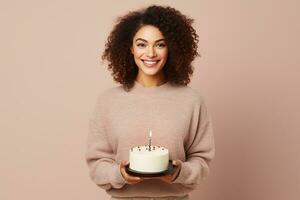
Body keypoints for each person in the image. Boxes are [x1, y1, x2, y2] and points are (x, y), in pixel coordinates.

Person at [85, 4, 215, 200]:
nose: (151, 53)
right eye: (142, 44)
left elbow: (201, 160)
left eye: (160, 44)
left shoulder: (191, 100)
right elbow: (97, 164)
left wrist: (179, 172)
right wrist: (119, 174)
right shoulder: (108, 101)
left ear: (171, 48)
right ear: (130, 47)